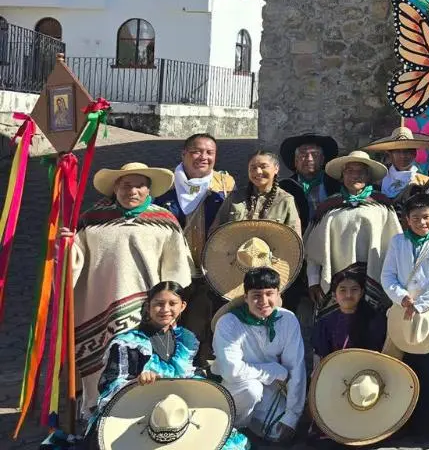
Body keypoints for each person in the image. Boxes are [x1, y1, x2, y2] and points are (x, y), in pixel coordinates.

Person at [51, 281, 249, 450]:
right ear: (148, 306)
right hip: (133, 410)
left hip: (176, 411)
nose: (165, 310)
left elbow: (190, 373)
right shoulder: (129, 342)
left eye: (172, 304)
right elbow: (108, 385)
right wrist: (136, 382)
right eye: (158, 304)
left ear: (183, 306)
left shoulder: (186, 340)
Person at [69, 162, 192, 416]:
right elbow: (74, 262)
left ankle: (147, 413)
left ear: (149, 190)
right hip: (100, 304)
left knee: (144, 361)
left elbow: (176, 269)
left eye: (140, 186)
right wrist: (63, 245)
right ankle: (97, 412)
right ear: (115, 188)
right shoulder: (92, 219)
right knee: (103, 360)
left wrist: (169, 306)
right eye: (126, 185)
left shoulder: (164, 221)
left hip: (148, 308)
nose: (132, 191)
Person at [153, 133, 233, 364]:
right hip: (170, 269)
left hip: (211, 271)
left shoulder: (225, 186)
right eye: (197, 151)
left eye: (210, 153)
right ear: (184, 154)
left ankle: (200, 368)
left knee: (204, 323)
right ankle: (167, 367)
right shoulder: (163, 186)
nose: (203, 157)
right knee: (167, 319)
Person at [381, 190, 429, 437]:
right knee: (401, 368)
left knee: (426, 369)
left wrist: (421, 304)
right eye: (415, 218)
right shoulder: (398, 242)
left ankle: (424, 425)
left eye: (426, 217)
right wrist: (401, 297)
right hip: (401, 313)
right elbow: (388, 274)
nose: (422, 223)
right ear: (406, 220)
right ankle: (400, 421)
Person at [212, 267, 306, 444]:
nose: (263, 301)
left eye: (269, 294)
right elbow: (231, 371)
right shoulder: (229, 322)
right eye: (256, 295)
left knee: (281, 433)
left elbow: (296, 367)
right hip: (237, 388)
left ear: (278, 295)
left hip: (272, 389)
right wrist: (274, 370)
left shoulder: (288, 319)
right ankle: (232, 431)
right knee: (251, 389)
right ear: (245, 297)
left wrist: (292, 416)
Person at [304, 150, 401, 312]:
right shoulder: (328, 207)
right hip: (335, 281)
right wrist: (313, 281)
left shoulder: (382, 205)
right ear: (342, 176)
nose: (355, 176)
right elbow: (313, 251)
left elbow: (396, 245)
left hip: (374, 278)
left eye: (361, 172)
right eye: (350, 171)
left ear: (368, 176)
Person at [213, 150, 302, 237]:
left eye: (263, 166)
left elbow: (295, 241)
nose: (258, 171)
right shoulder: (235, 198)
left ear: (276, 169)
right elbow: (215, 233)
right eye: (253, 167)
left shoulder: (285, 200)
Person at [312, 268, 388, 360]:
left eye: (354, 289)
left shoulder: (375, 321)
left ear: (361, 293)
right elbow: (321, 358)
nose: (348, 295)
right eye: (343, 290)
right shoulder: (324, 324)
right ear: (334, 295)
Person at [278, 132, 342, 232]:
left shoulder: (337, 185)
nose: (309, 159)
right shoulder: (284, 187)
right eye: (303, 154)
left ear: (322, 160)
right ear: (295, 161)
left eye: (315, 154)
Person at [363, 125, 429, 200]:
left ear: (414, 154)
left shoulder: (425, 183)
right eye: (397, 151)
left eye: (407, 151)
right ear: (390, 154)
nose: (403, 156)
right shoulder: (377, 181)